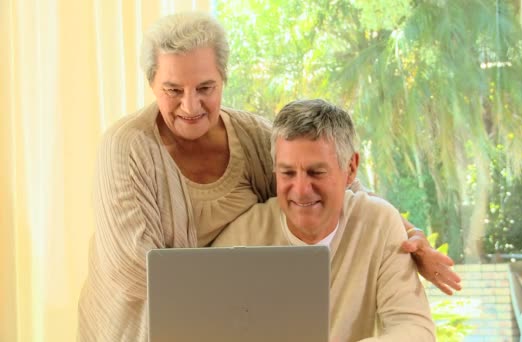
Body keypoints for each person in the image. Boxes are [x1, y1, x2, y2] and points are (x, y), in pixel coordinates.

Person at [77, 11, 457, 341]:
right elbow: (136, 273)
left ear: (223, 78)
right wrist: (256, 290)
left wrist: (405, 236)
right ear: (152, 85)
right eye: (173, 90)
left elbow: (344, 183)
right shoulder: (126, 148)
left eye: (205, 88)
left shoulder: (255, 137)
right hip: (137, 328)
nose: (190, 106)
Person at [213, 98, 436, 341]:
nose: (300, 190)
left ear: (350, 168)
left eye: (316, 172)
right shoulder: (245, 235)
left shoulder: (379, 224)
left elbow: (414, 329)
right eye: (287, 173)